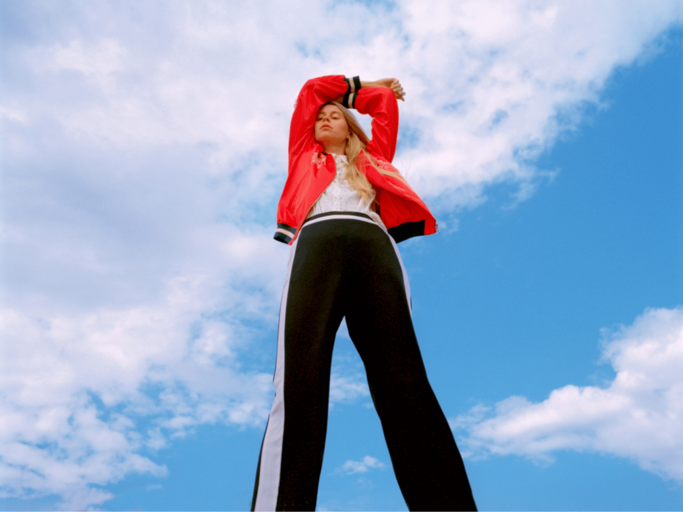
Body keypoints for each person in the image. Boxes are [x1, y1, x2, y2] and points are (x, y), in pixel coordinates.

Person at [251, 75, 477, 511]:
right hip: (316, 243)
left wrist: (375, 94)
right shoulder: (303, 154)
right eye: (321, 117)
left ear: (352, 131)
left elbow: (385, 106)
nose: (326, 118)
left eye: (337, 116)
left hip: (374, 246)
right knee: (299, 383)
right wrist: (358, 85)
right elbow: (311, 90)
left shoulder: (374, 158)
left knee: (405, 383)